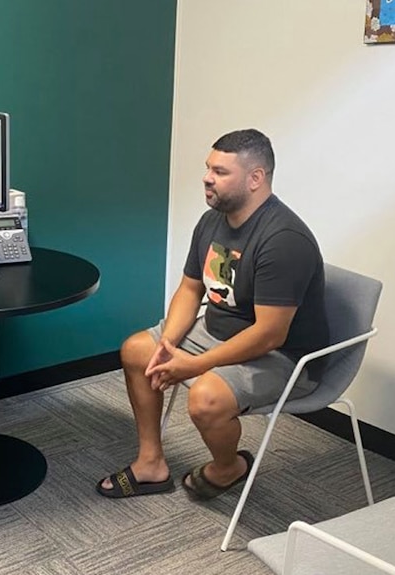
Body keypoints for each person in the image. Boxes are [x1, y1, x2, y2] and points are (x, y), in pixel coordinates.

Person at [97, 129, 329, 499]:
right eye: (208, 168)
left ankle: (229, 467)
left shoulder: (284, 240)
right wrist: (169, 343)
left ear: (256, 179)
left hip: (283, 356)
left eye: (220, 172)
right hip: (220, 331)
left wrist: (194, 364)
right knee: (137, 350)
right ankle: (151, 463)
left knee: (205, 397)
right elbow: (191, 290)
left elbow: (270, 334)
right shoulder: (213, 221)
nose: (207, 178)